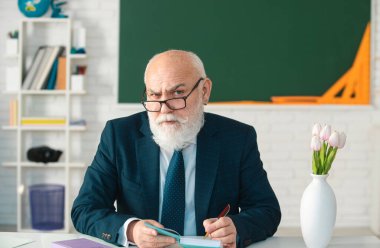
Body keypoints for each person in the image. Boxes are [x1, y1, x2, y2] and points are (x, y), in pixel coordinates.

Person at [71, 50, 281, 248]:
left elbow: (267, 210)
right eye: (154, 95)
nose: (164, 108)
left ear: (204, 91)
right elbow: (85, 210)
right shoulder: (119, 135)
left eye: (178, 93)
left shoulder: (237, 138)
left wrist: (237, 228)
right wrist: (131, 230)